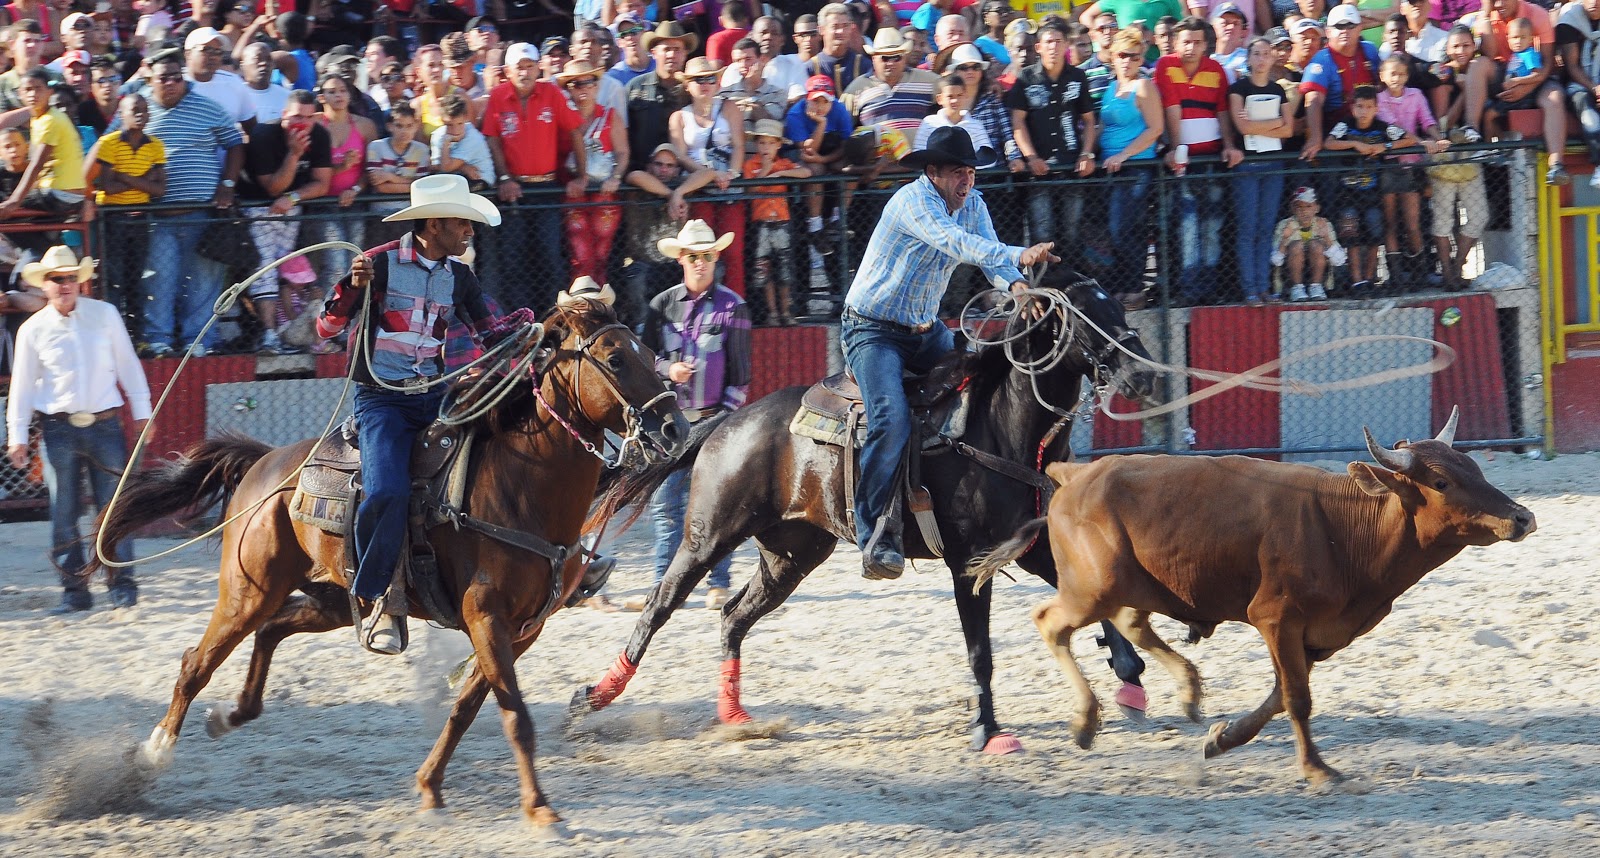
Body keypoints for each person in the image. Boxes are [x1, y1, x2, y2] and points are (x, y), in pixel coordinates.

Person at [842, 126, 1055, 579]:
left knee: (979, 395)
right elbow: (959, 244)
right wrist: (1021, 254)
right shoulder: (912, 202)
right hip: (871, 330)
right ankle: (873, 531)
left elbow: (989, 259)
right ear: (933, 172)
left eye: (972, 172)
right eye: (958, 171)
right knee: (890, 417)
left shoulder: (972, 205)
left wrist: (1018, 287)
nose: (968, 180)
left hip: (925, 330)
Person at [314, 174, 502, 655]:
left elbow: (491, 337)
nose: (469, 233)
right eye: (463, 223)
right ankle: (373, 595)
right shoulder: (374, 266)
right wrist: (352, 291)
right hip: (382, 401)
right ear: (435, 223)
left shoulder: (459, 277)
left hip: (432, 396)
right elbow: (325, 325)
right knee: (386, 490)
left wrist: (536, 333)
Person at [6, 245, 150, 613]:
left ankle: (121, 583)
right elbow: (21, 385)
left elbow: (128, 365)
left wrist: (143, 411)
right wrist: (17, 435)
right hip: (59, 429)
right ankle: (75, 591)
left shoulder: (105, 315)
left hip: (105, 424)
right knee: (63, 511)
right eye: (58, 279)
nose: (65, 284)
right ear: (46, 285)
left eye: (70, 277)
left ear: (79, 280)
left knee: (113, 507)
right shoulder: (32, 330)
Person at [634, 218, 752, 612]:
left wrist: (726, 422)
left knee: (717, 505)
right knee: (666, 505)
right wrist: (670, 371)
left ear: (715, 258)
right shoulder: (660, 305)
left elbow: (741, 375)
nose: (700, 262)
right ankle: (662, 583)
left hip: (714, 420)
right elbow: (643, 360)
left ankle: (719, 583)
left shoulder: (733, 306)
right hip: (670, 423)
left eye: (707, 256)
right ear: (681, 259)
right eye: (693, 256)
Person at [137, 47, 245, 357]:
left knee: (202, 284)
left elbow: (235, 144)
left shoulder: (206, 106)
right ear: (151, 78)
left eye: (176, 77)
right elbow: (113, 145)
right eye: (164, 78)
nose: (171, 83)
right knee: (160, 282)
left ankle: (199, 342)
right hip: (158, 215)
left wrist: (227, 184)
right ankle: (159, 340)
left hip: (202, 212)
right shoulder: (138, 107)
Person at [483, 41, 584, 310]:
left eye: (530, 66)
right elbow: (492, 139)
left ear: (539, 68)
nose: (525, 72)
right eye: (519, 67)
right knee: (513, 260)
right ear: (507, 70)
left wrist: (582, 175)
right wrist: (504, 178)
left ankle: (555, 318)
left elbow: (575, 130)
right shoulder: (497, 96)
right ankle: (521, 321)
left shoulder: (552, 92)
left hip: (548, 188)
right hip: (513, 192)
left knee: (550, 257)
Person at [1157, 16, 1243, 302]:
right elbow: (1172, 107)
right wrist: (1177, 150)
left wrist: (1229, 145)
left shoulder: (1216, 69)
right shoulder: (1165, 66)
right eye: (1186, 42)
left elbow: (1222, 112)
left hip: (1212, 161)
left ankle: (1209, 289)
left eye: (1196, 42)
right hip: (1185, 163)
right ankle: (1190, 290)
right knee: (1188, 228)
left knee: (1213, 227)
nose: (1191, 47)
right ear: (1175, 43)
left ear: (1206, 44)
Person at [240, 88, 330, 355]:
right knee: (265, 268)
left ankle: (293, 333)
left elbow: (322, 183)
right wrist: (293, 154)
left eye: (307, 117)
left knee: (289, 270)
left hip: (290, 208)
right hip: (257, 209)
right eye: (295, 117)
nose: (301, 123)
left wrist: (293, 197)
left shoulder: (320, 135)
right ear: (283, 116)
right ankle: (269, 335)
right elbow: (272, 187)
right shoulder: (264, 135)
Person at [1008, 23, 1098, 258]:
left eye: (1059, 41)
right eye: (1049, 42)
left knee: (1072, 233)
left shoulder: (1078, 77)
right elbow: (1017, 122)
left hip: (1072, 167)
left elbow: (1089, 120)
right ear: (1038, 47)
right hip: (1039, 171)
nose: (1054, 47)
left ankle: (1072, 286)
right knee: (1041, 232)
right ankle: (1043, 288)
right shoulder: (1026, 78)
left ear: (1067, 45)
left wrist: (1087, 154)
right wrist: (1031, 157)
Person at [1323, 83, 1422, 292]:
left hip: (1373, 192)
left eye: (1369, 107)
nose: (1364, 111)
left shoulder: (1381, 127)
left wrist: (1384, 147)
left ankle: (1369, 278)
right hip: (1347, 192)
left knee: (1375, 232)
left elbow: (1410, 139)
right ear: (1352, 108)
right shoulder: (1346, 125)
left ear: (1376, 108)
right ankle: (1356, 280)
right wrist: (1354, 144)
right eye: (1359, 106)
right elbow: (1329, 143)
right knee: (1351, 234)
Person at [86, 93, 164, 330]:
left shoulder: (155, 146)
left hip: (140, 218)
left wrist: (125, 177)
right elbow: (107, 187)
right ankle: (111, 330)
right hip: (112, 217)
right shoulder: (109, 143)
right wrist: (143, 180)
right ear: (122, 114)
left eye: (144, 109)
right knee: (113, 278)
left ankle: (136, 334)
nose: (140, 115)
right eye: (134, 110)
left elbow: (160, 189)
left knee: (136, 278)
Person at [1099, 26, 1164, 305]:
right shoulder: (1110, 87)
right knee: (1113, 231)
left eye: (1135, 57)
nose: (1128, 61)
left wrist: (1123, 156)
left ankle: (1134, 287)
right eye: (1123, 55)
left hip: (1136, 166)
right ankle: (1120, 285)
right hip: (1109, 167)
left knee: (1127, 229)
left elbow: (1155, 129)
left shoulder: (1144, 86)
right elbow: (1102, 125)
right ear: (1113, 56)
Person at [1228, 36, 1293, 304]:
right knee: (1247, 228)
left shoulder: (1278, 89)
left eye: (1266, 53)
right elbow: (1242, 129)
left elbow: (1288, 129)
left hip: (1273, 163)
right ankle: (1250, 288)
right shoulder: (1238, 89)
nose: (1262, 58)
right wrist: (1274, 122)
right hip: (1247, 165)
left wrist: (1258, 124)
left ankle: (1264, 286)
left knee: (1266, 227)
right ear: (1249, 58)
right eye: (1256, 53)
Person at [623, 143, 716, 324]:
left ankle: (701, 321)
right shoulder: (640, 186)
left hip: (678, 262)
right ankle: (642, 327)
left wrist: (679, 192)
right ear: (650, 166)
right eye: (658, 164)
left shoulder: (683, 186)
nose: (663, 169)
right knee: (635, 278)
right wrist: (670, 195)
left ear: (676, 170)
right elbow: (634, 175)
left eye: (670, 165)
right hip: (644, 263)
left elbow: (709, 173)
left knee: (716, 269)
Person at [1376, 52, 1447, 289]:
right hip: (1388, 166)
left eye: (1402, 74)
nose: (1397, 78)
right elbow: (1393, 130)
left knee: (1413, 223)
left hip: (1412, 165)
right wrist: (1423, 142)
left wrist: (1438, 139)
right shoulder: (1378, 100)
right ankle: (1396, 276)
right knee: (1390, 223)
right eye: (1392, 73)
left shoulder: (1416, 95)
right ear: (1382, 76)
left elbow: (1427, 120)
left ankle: (1419, 272)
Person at [556, 59, 627, 283]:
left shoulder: (610, 115)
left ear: (597, 85)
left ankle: (601, 307)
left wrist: (616, 177)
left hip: (605, 195)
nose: (584, 87)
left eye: (589, 82)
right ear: (568, 89)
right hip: (572, 195)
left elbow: (623, 152)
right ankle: (581, 308)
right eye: (576, 84)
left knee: (601, 255)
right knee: (581, 255)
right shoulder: (561, 118)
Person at [743, 118, 809, 325]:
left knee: (784, 269)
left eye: (771, 143)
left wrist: (780, 172)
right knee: (764, 269)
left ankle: (786, 311)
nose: (766, 147)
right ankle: (772, 312)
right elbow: (749, 190)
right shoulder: (750, 165)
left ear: (778, 145)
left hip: (782, 222)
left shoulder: (784, 163)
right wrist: (764, 171)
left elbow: (805, 172)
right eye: (762, 143)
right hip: (761, 224)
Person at [0, 67, 85, 220]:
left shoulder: (50, 120)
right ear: (21, 94)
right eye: (28, 89)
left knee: (6, 204)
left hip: (60, 194)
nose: (33, 94)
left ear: (49, 92)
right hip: (61, 193)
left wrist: (14, 201)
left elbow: (36, 164)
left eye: (38, 89)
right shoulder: (39, 118)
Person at [625, 21, 692, 171]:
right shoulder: (635, 86)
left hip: (684, 176)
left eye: (677, 49)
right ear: (654, 52)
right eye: (666, 49)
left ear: (685, 53)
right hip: (641, 176)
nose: (671, 55)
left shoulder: (693, 89)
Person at [846, 27, 940, 135]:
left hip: (920, 151)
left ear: (904, 57)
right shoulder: (857, 88)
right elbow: (843, 127)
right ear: (873, 58)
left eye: (896, 57)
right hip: (878, 151)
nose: (891, 63)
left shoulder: (929, 81)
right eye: (885, 58)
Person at [367, 100, 431, 240]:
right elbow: (380, 187)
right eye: (399, 126)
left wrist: (390, 177)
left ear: (416, 126)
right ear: (389, 126)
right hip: (380, 217)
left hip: (410, 216)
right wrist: (411, 184)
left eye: (409, 126)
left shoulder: (422, 150)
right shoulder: (376, 147)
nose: (404, 131)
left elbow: (422, 187)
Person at [1271, 185, 1345, 300]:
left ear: (1317, 208)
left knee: (1316, 244)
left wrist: (1326, 237)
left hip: (1320, 273)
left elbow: (1339, 261)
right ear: (1292, 209)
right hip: (1289, 273)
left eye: (1308, 206)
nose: (1304, 211)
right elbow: (1275, 261)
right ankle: (1297, 288)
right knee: (1297, 245)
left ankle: (1316, 287)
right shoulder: (1285, 225)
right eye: (1299, 207)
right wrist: (1284, 239)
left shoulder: (1324, 224)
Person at [1557, 0, 1600, 189]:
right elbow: (1572, 66)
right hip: (1579, 85)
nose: (1594, 2)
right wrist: (1595, 88)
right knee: (1587, 109)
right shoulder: (1569, 18)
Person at [916, 73, 993, 157]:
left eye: (959, 95)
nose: (955, 100)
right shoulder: (929, 123)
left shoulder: (976, 125)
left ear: (965, 96)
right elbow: (919, 152)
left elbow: (987, 155)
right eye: (950, 96)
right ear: (940, 99)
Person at [429, 91, 492, 190]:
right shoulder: (438, 135)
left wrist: (445, 143)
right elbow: (435, 165)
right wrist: (463, 167)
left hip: (480, 180)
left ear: (466, 118)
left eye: (460, 123)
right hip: (454, 178)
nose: (455, 130)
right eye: (449, 125)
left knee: (455, 189)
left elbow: (446, 167)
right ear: (442, 120)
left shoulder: (473, 137)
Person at [239, 41, 288, 124]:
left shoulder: (287, 97)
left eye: (268, 59)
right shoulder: (233, 97)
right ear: (242, 66)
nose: (264, 63)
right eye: (258, 59)